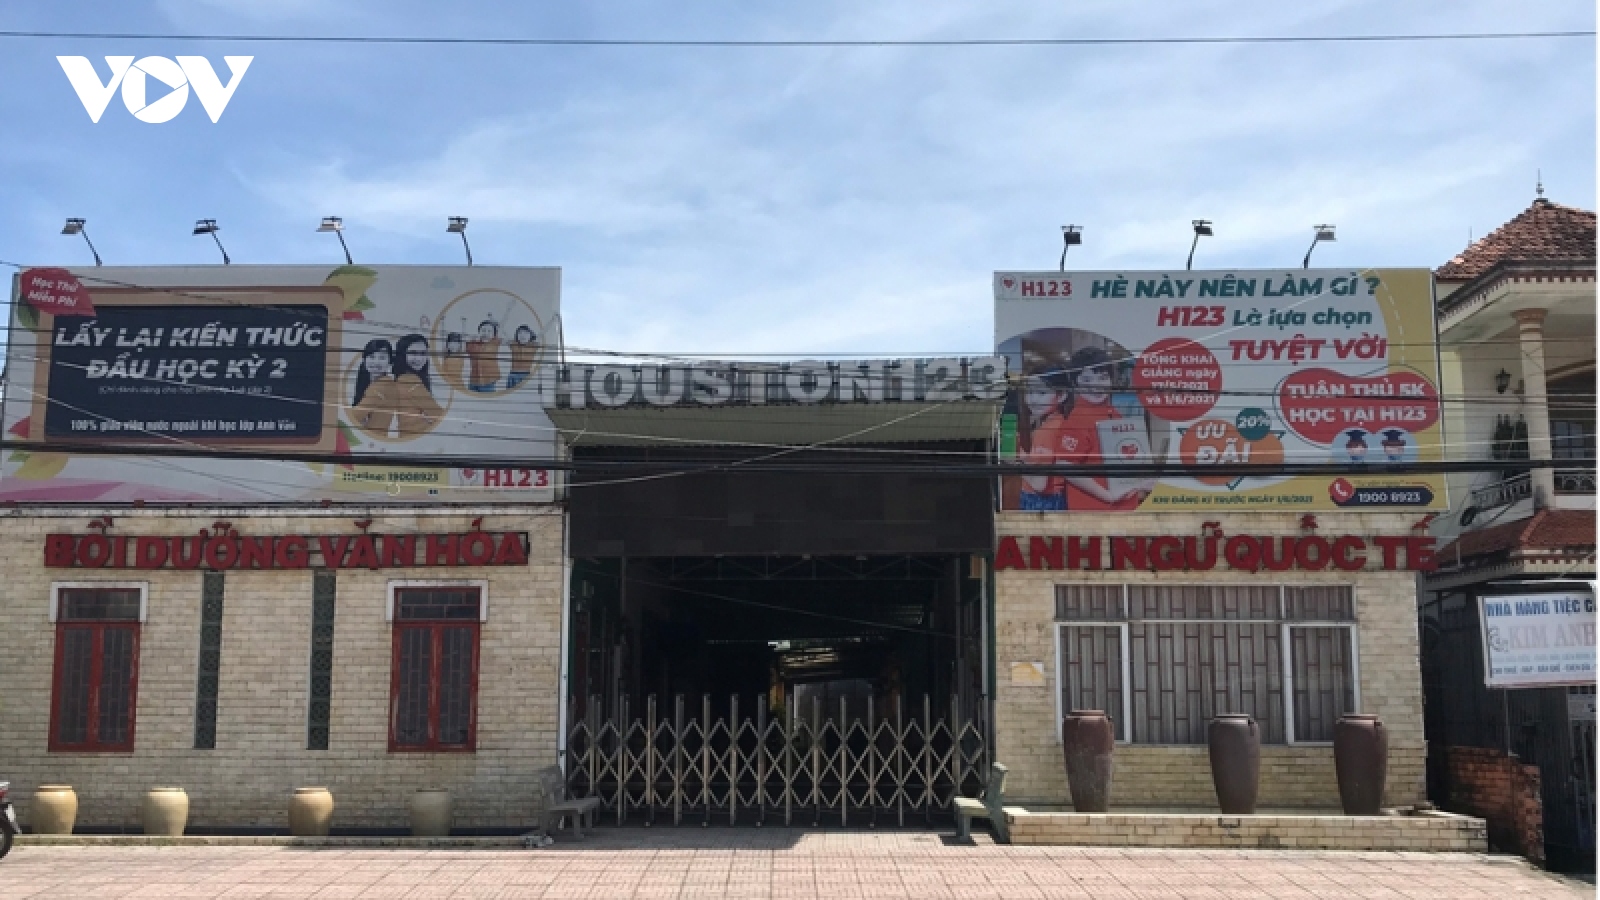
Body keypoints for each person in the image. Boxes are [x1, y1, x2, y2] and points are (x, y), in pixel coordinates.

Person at [1052, 346, 1152, 511]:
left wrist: (1140, 482)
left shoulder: (1112, 412)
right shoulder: (1077, 420)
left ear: (1111, 380)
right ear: (1075, 383)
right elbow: (1065, 465)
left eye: (1103, 377)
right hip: (1096, 510)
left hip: (1121, 507)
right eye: (1087, 380)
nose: (1096, 386)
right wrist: (1107, 495)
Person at [1016, 370, 1072, 510]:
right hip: (1056, 498)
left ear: (1061, 395)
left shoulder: (1046, 431)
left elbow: (1038, 484)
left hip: (1039, 501)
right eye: (1029, 392)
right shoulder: (1061, 423)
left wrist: (1015, 464)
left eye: (1041, 393)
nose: (1033, 399)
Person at [390, 334, 444, 438]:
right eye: (413, 353)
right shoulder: (409, 380)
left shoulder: (402, 378)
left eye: (423, 353)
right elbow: (437, 413)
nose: (419, 358)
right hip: (419, 436)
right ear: (402, 354)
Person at [352, 338, 397, 436]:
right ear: (364, 359)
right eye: (372, 357)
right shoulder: (371, 382)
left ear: (390, 362)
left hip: (371, 438)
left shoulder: (383, 385)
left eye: (382, 358)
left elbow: (354, 417)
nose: (376, 362)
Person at [466, 320, 502, 393]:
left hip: (489, 382)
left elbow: (501, 329)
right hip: (473, 381)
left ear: (494, 335)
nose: (486, 333)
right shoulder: (473, 344)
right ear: (479, 332)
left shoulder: (494, 343)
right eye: (483, 330)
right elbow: (465, 345)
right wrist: (472, 338)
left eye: (489, 331)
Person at [507, 325, 539, 389]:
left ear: (530, 335)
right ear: (516, 336)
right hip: (513, 375)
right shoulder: (514, 344)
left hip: (526, 375)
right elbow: (504, 333)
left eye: (526, 333)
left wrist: (552, 321)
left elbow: (542, 333)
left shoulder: (533, 346)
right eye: (520, 333)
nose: (522, 335)